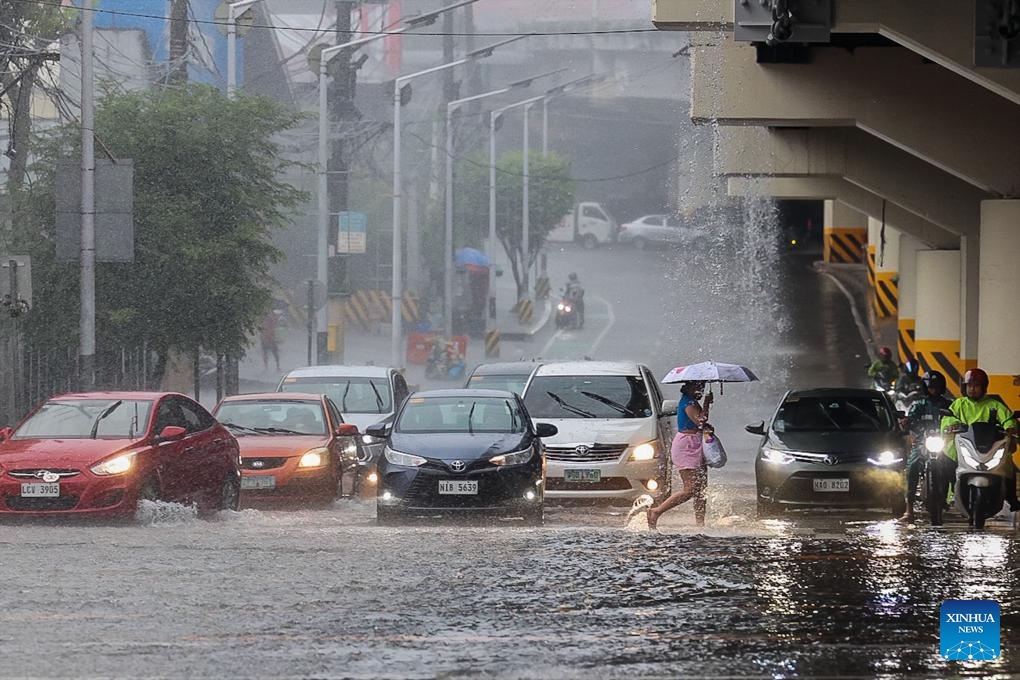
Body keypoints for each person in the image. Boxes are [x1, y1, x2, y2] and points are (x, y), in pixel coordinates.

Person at [939, 368, 1020, 513]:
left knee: (1008, 463)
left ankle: (1011, 498)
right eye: (969, 386)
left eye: (976, 386)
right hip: (963, 446)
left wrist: (1010, 427)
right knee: (943, 461)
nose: (972, 389)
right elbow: (948, 418)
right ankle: (942, 497)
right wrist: (952, 425)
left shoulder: (994, 405)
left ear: (984, 387)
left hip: (988, 447)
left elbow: (1008, 419)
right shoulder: (959, 404)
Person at [647, 380, 713, 529]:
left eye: (702, 387)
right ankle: (656, 511)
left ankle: (700, 524)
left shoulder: (691, 401)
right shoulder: (688, 402)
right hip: (686, 446)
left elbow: (699, 424)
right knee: (690, 488)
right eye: (697, 386)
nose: (700, 390)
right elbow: (700, 421)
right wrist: (707, 403)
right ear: (689, 387)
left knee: (701, 488)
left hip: (695, 444)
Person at [898, 370, 952, 522]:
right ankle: (909, 510)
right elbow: (910, 421)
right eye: (931, 387)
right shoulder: (918, 405)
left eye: (937, 387)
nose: (933, 390)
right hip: (922, 443)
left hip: (944, 444)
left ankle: (956, 500)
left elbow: (956, 420)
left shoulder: (949, 405)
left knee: (952, 466)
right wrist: (906, 424)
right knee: (912, 467)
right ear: (925, 387)